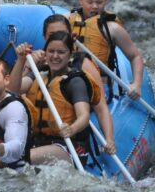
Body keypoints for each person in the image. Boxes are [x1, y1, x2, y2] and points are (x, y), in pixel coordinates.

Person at [9, 31, 102, 166]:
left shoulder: (75, 81)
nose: (55, 56)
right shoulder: (39, 74)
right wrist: (21, 60)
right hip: (38, 142)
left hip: (68, 146)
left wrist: (72, 129)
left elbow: (84, 116)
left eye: (61, 52)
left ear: (70, 55)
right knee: (8, 156)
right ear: (45, 53)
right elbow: (13, 90)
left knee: (18, 159)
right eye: (51, 51)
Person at [30, 14, 116, 154]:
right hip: (41, 134)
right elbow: (15, 94)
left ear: (70, 35)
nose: (58, 36)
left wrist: (109, 139)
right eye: (52, 34)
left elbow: (101, 108)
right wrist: (26, 66)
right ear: (45, 37)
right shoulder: (36, 64)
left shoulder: (83, 65)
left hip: (72, 127)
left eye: (62, 33)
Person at [67, 0, 145, 99]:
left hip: (99, 86)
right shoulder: (67, 21)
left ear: (105, 1)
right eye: (90, 2)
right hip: (70, 79)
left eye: (99, 2)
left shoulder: (112, 28)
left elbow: (136, 57)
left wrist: (137, 85)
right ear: (81, 0)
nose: (94, 6)